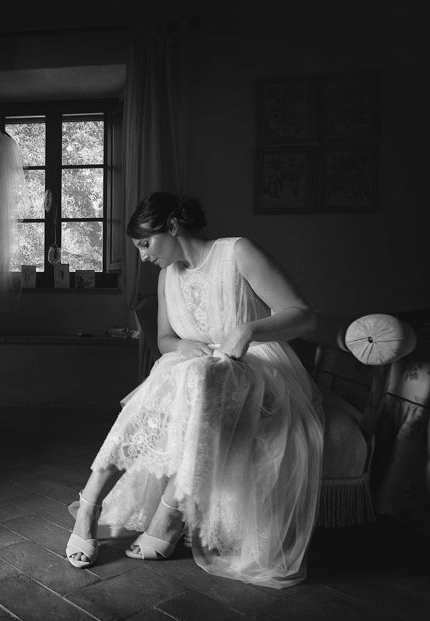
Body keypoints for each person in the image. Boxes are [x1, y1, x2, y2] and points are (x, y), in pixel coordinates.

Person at [65, 192, 324, 589]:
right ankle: (90, 506)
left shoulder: (237, 252)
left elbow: (303, 315)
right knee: (185, 376)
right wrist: (183, 345)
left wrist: (248, 330)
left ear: (172, 226)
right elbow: (165, 340)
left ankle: (168, 515)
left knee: (196, 377)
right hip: (194, 377)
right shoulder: (167, 275)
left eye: (145, 244)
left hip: (257, 371)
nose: (143, 257)